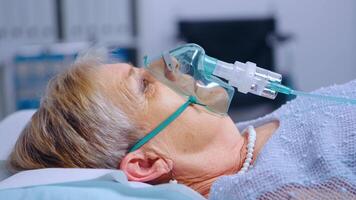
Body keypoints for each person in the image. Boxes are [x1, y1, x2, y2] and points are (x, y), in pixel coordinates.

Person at [7, 53, 356, 199]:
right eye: (145, 85)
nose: (172, 66)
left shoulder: (242, 140)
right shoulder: (276, 190)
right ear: (146, 163)